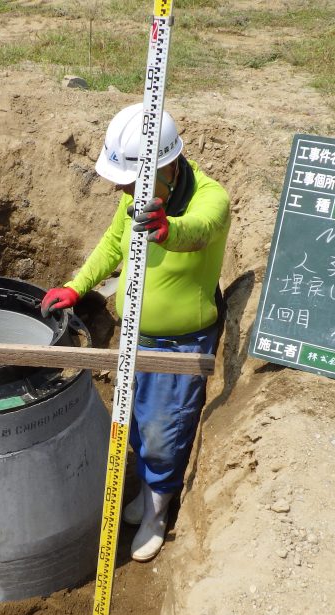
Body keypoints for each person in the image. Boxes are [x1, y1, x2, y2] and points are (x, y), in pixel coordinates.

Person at [41, 104, 230, 563]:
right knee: (135, 423)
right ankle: (147, 487)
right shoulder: (136, 196)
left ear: (166, 167)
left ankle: (158, 508)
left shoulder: (210, 198)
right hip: (133, 336)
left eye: (129, 181)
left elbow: (200, 230)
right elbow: (112, 244)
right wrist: (76, 285)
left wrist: (167, 230)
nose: (124, 190)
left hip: (180, 343)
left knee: (165, 431)